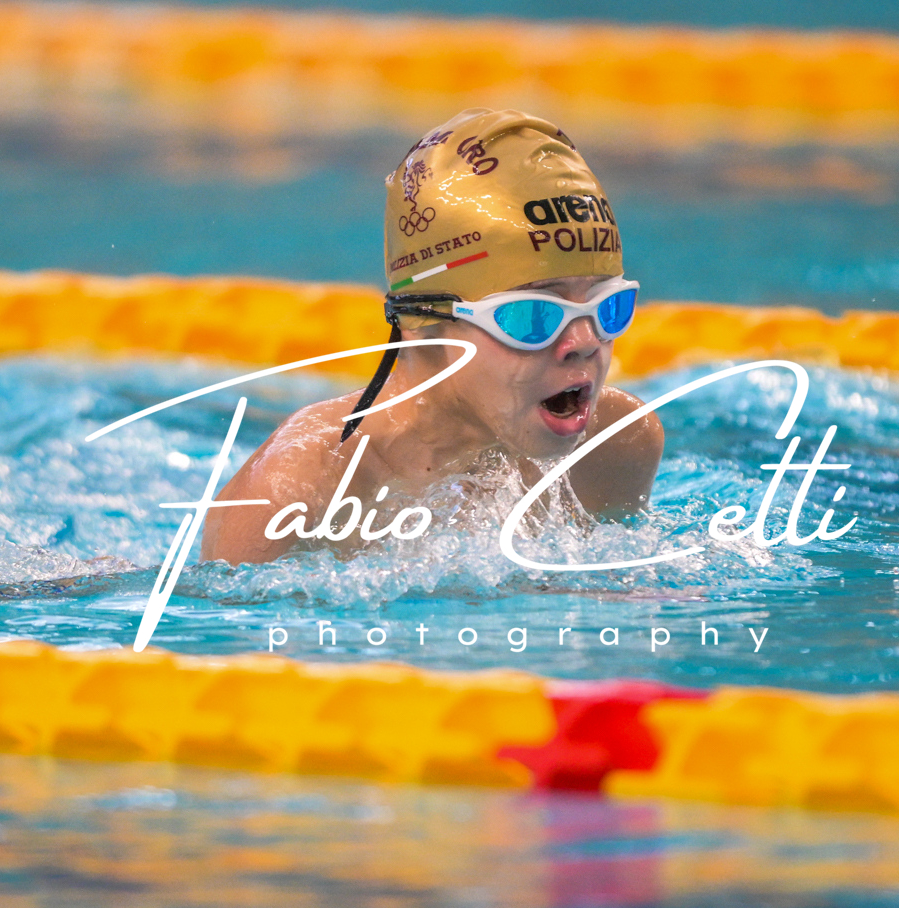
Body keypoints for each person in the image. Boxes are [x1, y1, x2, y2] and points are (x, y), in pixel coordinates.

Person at [200, 108, 663, 565]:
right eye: (534, 315)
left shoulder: (615, 445)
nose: (584, 341)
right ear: (420, 318)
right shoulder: (291, 498)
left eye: (609, 307)